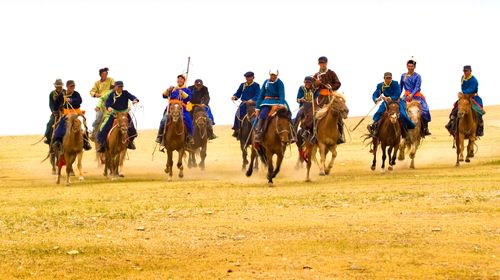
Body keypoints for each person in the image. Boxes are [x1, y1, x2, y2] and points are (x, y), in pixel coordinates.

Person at [367, 72, 415, 138]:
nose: (388, 79)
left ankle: (406, 129)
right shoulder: (380, 85)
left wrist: (390, 98)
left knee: (402, 114)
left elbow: (397, 94)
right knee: (379, 112)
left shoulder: (395, 83)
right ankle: (374, 127)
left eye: (390, 78)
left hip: (397, 101)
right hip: (387, 102)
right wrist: (376, 99)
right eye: (387, 78)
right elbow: (375, 94)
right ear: (384, 78)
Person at [96, 81, 139, 153]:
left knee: (132, 129)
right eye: (119, 86)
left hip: (125, 114)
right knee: (105, 128)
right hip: (115, 114)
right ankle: (102, 145)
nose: (120, 88)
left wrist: (135, 100)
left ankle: (130, 142)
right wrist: (108, 107)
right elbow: (107, 103)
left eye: (121, 87)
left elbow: (132, 97)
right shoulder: (111, 94)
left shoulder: (125, 93)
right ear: (115, 87)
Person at [52, 80, 92, 151]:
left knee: (83, 123)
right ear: (67, 87)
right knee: (62, 123)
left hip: (76, 112)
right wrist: (55, 110)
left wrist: (70, 100)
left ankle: (86, 142)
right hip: (67, 112)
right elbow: (56, 103)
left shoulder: (76, 94)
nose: (72, 87)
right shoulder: (62, 94)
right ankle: (58, 140)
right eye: (71, 86)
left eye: (73, 86)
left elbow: (79, 100)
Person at [445, 65, 485, 136]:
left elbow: (472, 89)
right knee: (456, 108)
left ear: (470, 71)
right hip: (464, 97)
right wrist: (462, 95)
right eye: (464, 71)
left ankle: (479, 129)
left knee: (478, 112)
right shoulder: (463, 78)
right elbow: (463, 88)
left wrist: (464, 94)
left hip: (473, 98)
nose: (465, 72)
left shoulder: (474, 80)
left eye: (467, 71)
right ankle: (452, 125)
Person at [313, 56, 344, 144]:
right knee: (316, 115)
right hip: (321, 98)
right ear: (318, 64)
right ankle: (314, 135)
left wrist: (331, 86)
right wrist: (316, 83)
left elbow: (338, 83)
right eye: (321, 63)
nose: (323, 64)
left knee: (338, 116)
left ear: (326, 63)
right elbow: (312, 87)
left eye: (324, 63)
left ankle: (340, 136)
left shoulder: (331, 73)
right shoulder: (316, 76)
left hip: (332, 96)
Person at [155, 74, 194, 146]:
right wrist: (168, 90)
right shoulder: (173, 89)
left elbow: (189, 98)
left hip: (182, 109)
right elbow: (164, 96)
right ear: (177, 80)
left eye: (181, 79)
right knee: (163, 120)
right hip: (171, 109)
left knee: (188, 121)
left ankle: (190, 137)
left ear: (184, 81)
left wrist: (183, 93)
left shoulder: (187, 90)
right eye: (178, 79)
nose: (180, 80)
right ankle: (160, 137)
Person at [254, 70, 290, 144]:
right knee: (263, 114)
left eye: (274, 75)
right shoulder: (266, 82)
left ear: (277, 75)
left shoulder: (280, 83)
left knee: (287, 114)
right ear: (269, 74)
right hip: (267, 102)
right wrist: (257, 107)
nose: (273, 76)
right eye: (272, 75)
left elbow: (282, 94)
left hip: (278, 102)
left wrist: (281, 104)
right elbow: (261, 95)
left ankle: (292, 134)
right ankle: (259, 132)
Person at [400, 57, 431, 136]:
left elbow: (417, 87)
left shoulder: (418, 76)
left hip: (416, 96)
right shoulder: (403, 75)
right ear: (407, 66)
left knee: (425, 110)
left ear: (414, 67)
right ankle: (400, 128)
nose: (410, 68)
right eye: (409, 66)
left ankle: (425, 128)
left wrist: (412, 94)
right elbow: (400, 87)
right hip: (406, 96)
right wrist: (397, 95)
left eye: (412, 66)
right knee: (399, 110)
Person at [231, 71, 260, 139]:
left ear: (253, 77)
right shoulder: (243, 85)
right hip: (244, 103)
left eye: (250, 77)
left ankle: (258, 129)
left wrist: (252, 100)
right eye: (247, 77)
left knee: (256, 115)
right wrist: (234, 96)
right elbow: (238, 93)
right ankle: (236, 130)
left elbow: (258, 95)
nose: (248, 78)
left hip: (253, 104)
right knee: (237, 114)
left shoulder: (256, 85)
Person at [90, 67, 115, 133]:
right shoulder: (97, 83)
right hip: (101, 103)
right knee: (98, 118)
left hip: (110, 102)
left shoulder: (111, 80)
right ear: (100, 75)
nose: (105, 75)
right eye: (103, 74)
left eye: (106, 73)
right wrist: (95, 94)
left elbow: (114, 88)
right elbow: (91, 92)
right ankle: (93, 132)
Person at [44, 79, 66, 145]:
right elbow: (51, 104)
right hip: (56, 112)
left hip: (66, 112)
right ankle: (47, 138)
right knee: (50, 123)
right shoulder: (52, 94)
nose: (59, 87)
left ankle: (84, 140)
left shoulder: (66, 92)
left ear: (62, 86)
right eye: (57, 86)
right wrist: (54, 111)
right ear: (55, 86)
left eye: (60, 86)